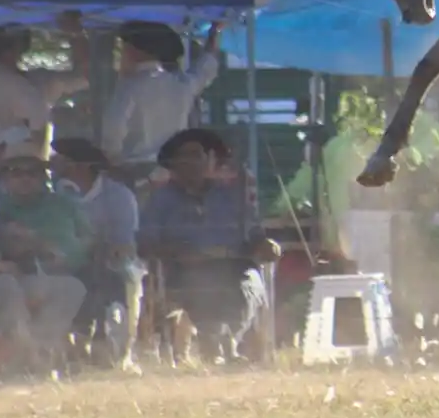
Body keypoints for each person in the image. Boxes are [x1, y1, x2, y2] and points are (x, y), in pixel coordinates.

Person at [138, 128, 280, 360]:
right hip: (183, 269)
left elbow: (254, 233)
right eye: (184, 157)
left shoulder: (232, 196)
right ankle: (216, 343)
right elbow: (145, 243)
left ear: (211, 161)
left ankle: (226, 341)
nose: (191, 163)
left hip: (235, 266)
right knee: (201, 286)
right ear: (173, 165)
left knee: (249, 286)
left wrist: (266, 244)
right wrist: (175, 251)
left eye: (197, 155)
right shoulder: (161, 200)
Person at [0, 136, 88, 364]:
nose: (24, 178)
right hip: (2, 278)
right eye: (16, 172)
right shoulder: (0, 209)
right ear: (5, 178)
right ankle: (21, 352)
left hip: (28, 274)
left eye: (32, 172)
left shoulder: (63, 205)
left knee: (70, 288)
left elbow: (83, 243)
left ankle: (40, 352)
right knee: (7, 287)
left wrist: (38, 246)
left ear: (44, 176)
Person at [101, 21, 222, 183]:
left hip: (136, 171)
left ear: (134, 50)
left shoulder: (131, 85)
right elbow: (207, 68)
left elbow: (114, 124)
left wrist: (112, 156)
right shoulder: (182, 84)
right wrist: (214, 33)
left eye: (125, 47)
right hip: (171, 170)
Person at [50, 137, 140, 343]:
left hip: (109, 263)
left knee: (104, 275)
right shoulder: (54, 192)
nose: (55, 165)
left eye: (62, 160)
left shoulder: (119, 195)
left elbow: (123, 244)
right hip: (63, 261)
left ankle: (100, 339)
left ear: (82, 165)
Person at [0, 14, 89, 157]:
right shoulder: (35, 83)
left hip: (18, 168)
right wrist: (76, 35)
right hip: (29, 168)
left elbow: (83, 77)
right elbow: (85, 76)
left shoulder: (36, 81)